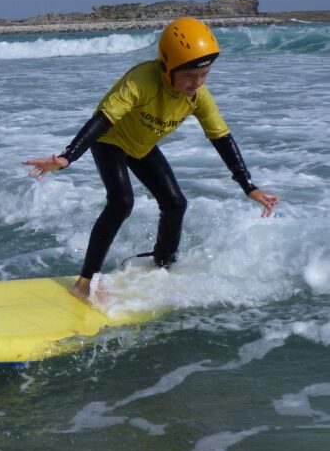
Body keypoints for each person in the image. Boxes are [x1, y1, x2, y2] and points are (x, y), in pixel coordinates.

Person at [24, 17, 279, 303]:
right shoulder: (141, 80)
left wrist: (248, 186)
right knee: (121, 202)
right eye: (190, 76)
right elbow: (103, 120)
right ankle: (85, 282)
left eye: (204, 74)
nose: (197, 83)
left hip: (142, 145)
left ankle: (163, 265)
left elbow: (221, 138)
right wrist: (67, 157)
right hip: (110, 139)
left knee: (175, 203)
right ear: (167, 67)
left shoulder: (197, 96)